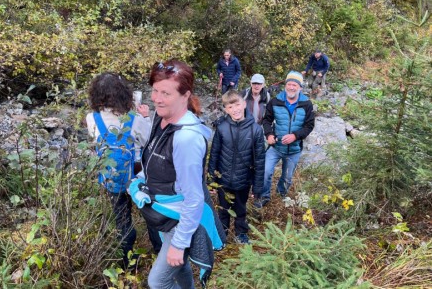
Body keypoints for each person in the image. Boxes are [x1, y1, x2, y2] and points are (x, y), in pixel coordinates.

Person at [128, 60, 226, 288]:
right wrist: (140, 181)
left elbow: (194, 198)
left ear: (185, 95)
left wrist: (179, 243)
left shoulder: (186, 138)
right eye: (154, 90)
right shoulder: (161, 120)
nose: (156, 98)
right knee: (180, 270)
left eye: (165, 93)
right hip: (165, 215)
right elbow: (154, 162)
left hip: (179, 220)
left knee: (158, 282)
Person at [86, 72, 154, 268]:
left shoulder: (92, 118)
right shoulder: (134, 119)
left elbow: (94, 141)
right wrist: (146, 118)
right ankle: (158, 250)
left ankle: (127, 264)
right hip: (136, 175)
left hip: (110, 177)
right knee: (150, 215)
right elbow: (148, 141)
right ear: (125, 94)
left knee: (122, 218)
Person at [208, 90, 265, 244]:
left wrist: (257, 187)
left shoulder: (256, 130)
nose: (235, 109)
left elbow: (260, 161)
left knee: (240, 209)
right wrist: (211, 180)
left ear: (244, 104)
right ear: (226, 109)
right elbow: (214, 154)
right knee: (223, 209)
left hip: (243, 180)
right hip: (223, 179)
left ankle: (241, 234)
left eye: (237, 104)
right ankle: (222, 234)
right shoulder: (221, 128)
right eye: (230, 107)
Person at [254, 71, 315, 208]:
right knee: (265, 171)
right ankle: (264, 196)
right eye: (289, 84)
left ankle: (281, 195)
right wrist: (269, 135)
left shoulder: (306, 104)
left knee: (287, 178)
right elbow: (266, 120)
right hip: (276, 147)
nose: (291, 87)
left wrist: (295, 135)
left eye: (295, 85)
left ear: (300, 87)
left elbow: (309, 126)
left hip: (294, 149)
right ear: (285, 85)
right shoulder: (275, 101)